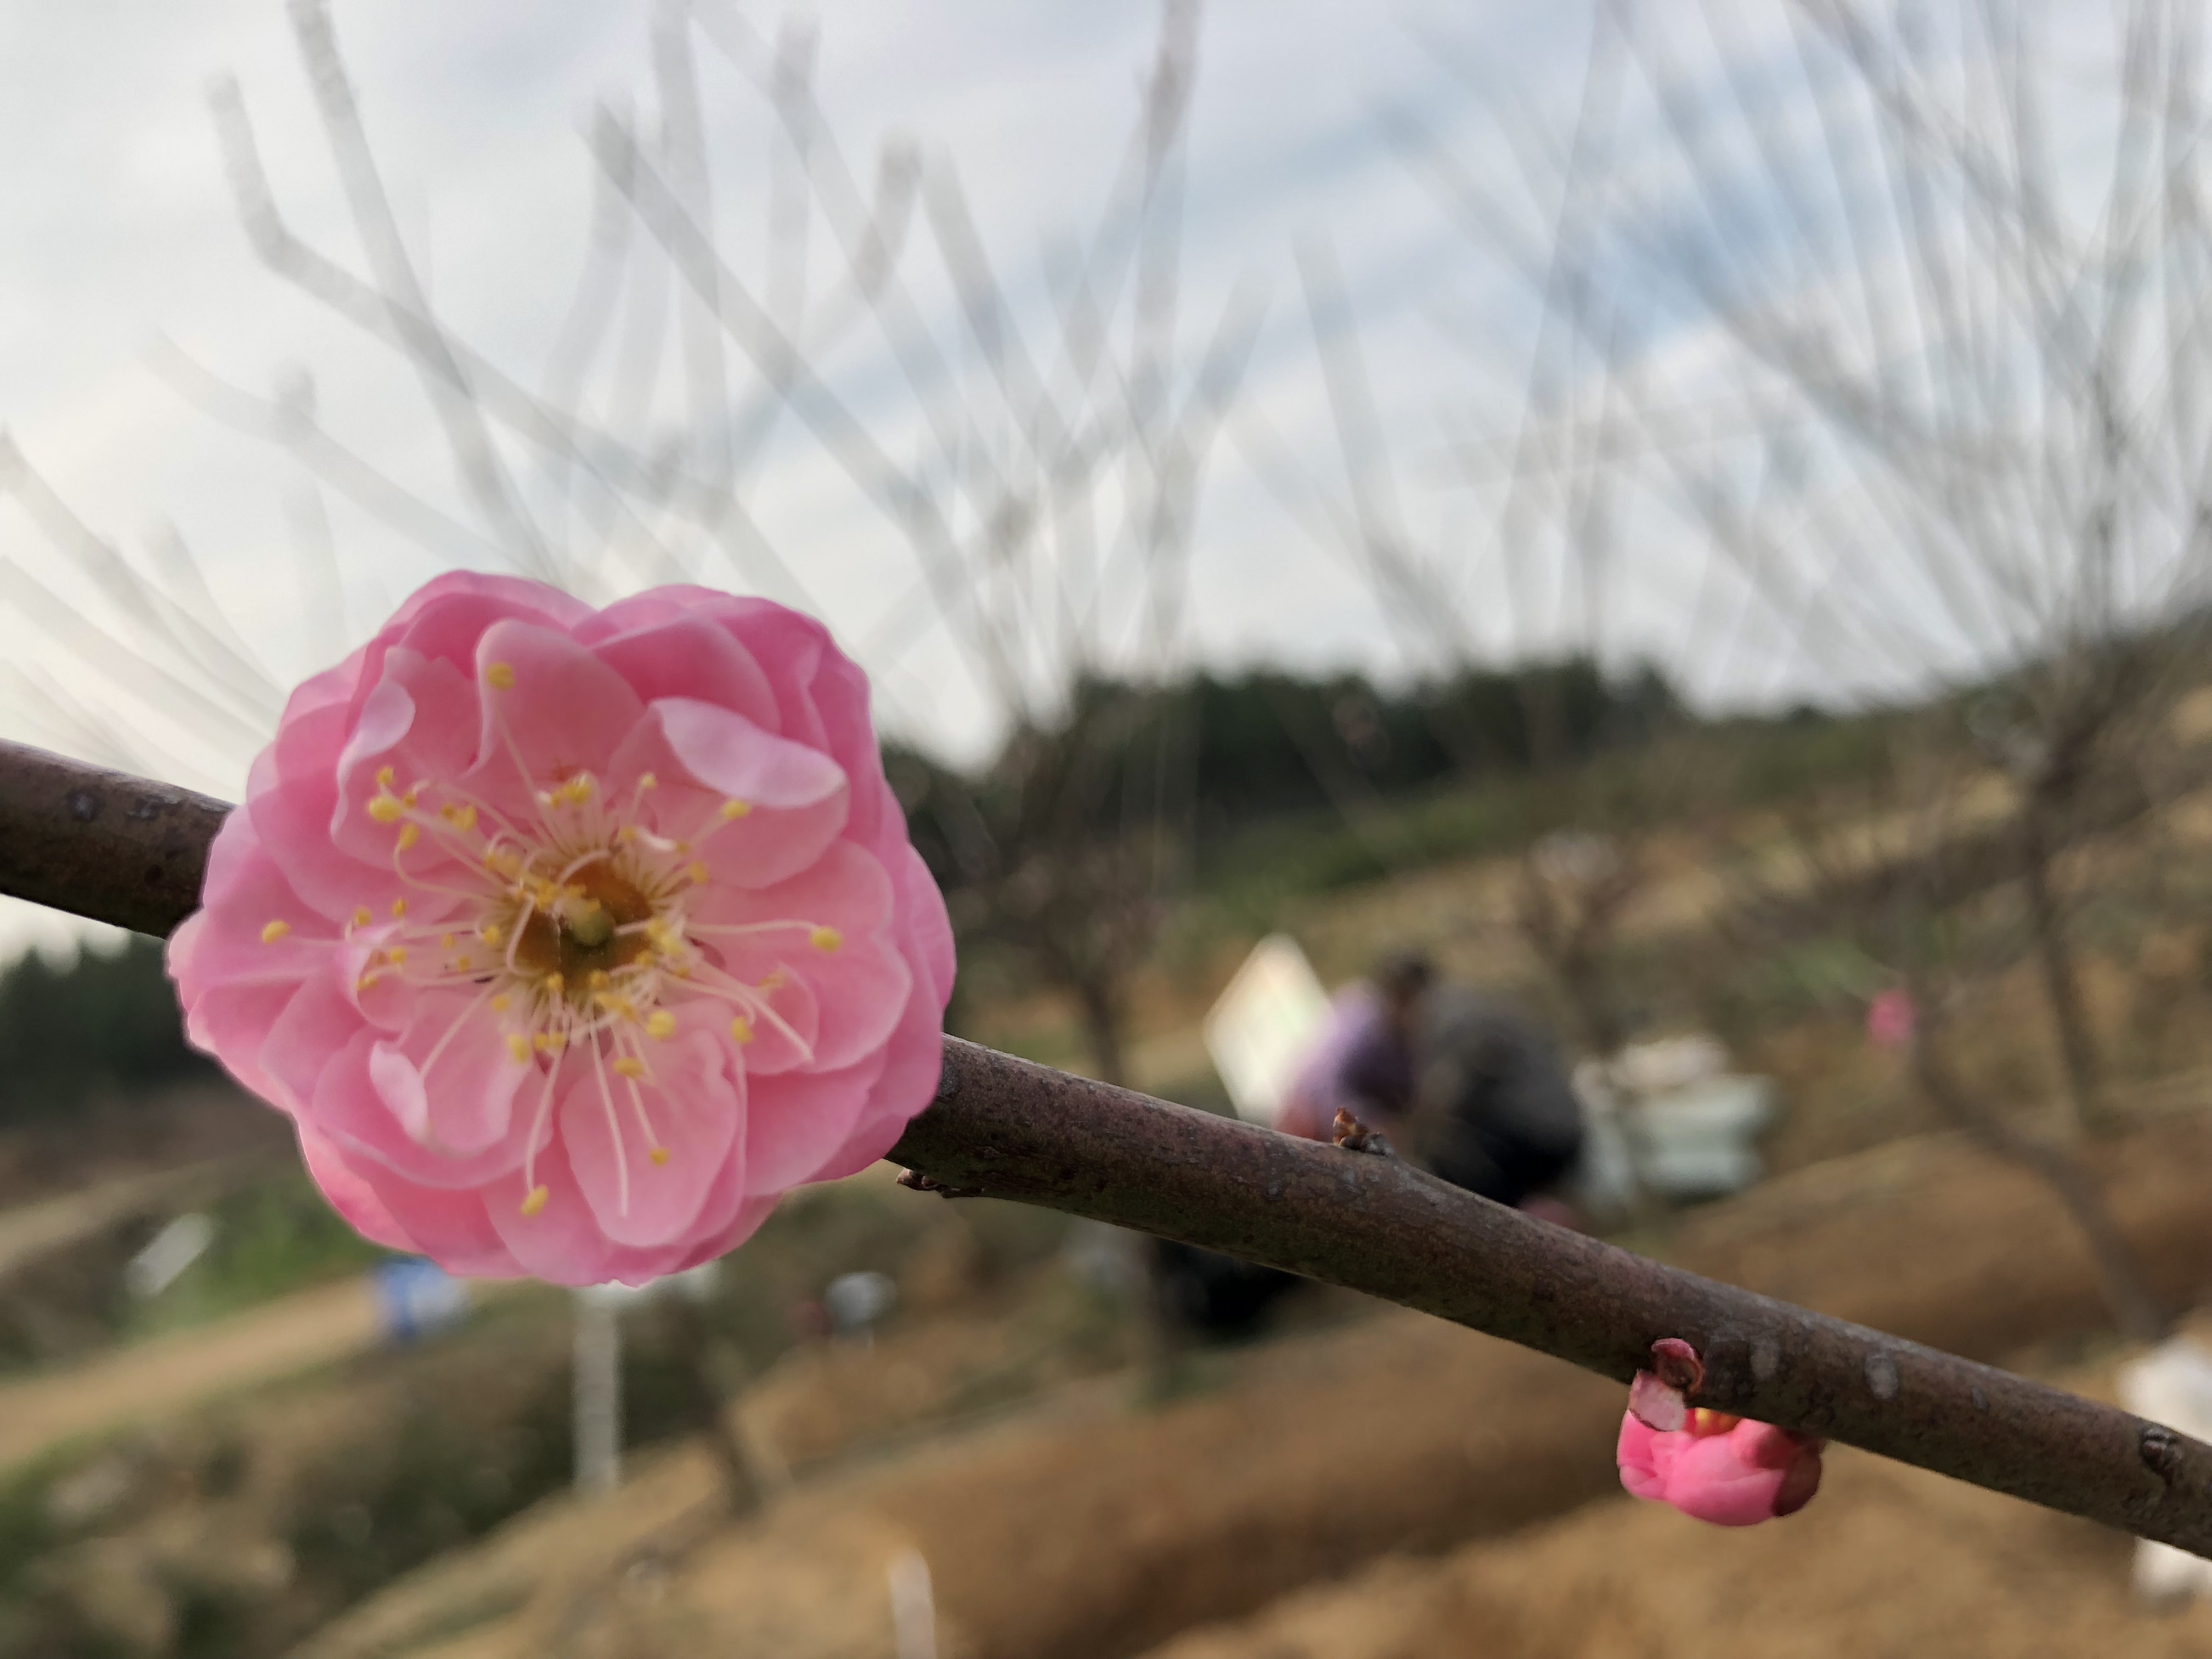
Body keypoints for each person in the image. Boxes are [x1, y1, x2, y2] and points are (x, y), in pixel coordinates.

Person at [1403, 984, 1585, 1215]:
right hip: (1568, 1129)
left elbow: (1450, 1089)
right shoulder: (1486, 1004)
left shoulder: (1447, 1016)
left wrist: (1419, 1129)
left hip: (1532, 1134)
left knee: (1447, 1171)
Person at [1273, 948, 1437, 1145]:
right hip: (1310, 1125)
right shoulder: (1361, 1018)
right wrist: (1369, 1126)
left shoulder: (1404, 1040)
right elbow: (1325, 1087)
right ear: (1402, 996)